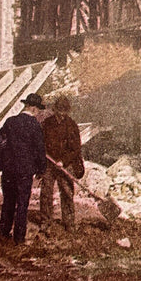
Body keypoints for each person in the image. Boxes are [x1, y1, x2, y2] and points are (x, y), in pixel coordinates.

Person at [0, 93, 47, 245]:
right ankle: (19, 238)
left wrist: (2, 162)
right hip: (25, 170)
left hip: (9, 170)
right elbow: (39, 150)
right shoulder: (34, 125)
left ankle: (3, 233)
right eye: (37, 109)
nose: (38, 112)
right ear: (33, 108)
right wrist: (41, 169)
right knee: (22, 204)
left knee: (8, 201)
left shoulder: (10, 122)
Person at [40, 95, 83, 233]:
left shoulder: (71, 125)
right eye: (59, 110)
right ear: (55, 110)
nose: (61, 114)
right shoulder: (47, 123)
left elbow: (76, 149)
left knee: (66, 192)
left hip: (66, 163)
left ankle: (69, 222)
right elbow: (41, 142)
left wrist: (63, 161)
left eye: (64, 111)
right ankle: (45, 221)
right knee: (46, 192)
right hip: (49, 163)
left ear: (67, 111)